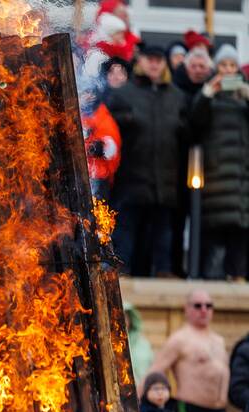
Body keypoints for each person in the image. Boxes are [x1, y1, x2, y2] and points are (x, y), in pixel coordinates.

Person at [105, 44, 187, 277]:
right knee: (126, 228)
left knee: (163, 229)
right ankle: (121, 272)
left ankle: (163, 271)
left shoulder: (176, 97)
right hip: (131, 176)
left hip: (165, 177)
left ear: (164, 64)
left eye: (159, 60)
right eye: (150, 59)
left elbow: (187, 132)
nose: (154, 64)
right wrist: (127, 120)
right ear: (140, 62)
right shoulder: (123, 94)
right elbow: (111, 128)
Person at [189, 44, 249, 281]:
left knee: (240, 236)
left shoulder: (244, 101)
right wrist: (206, 94)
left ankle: (238, 276)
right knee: (214, 234)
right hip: (216, 179)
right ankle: (210, 279)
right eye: (223, 65)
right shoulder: (208, 97)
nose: (228, 70)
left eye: (232, 65)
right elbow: (194, 125)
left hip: (242, 181)